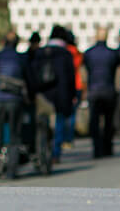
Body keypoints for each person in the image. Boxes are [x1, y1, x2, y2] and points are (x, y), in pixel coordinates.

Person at [0, 30, 31, 180]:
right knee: (15, 137)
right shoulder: (21, 58)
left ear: (3, 42)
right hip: (14, 99)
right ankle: (11, 170)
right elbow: (27, 78)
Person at [82, 26, 120, 158]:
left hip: (94, 90)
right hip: (108, 90)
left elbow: (87, 70)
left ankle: (97, 149)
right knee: (109, 121)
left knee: (95, 121)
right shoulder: (112, 54)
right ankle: (108, 147)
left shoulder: (88, 53)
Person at [44, 25, 79, 162]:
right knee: (59, 124)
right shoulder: (65, 54)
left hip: (43, 95)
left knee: (44, 124)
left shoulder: (42, 52)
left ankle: (43, 149)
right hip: (61, 94)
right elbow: (71, 77)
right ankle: (55, 153)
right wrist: (72, 95)